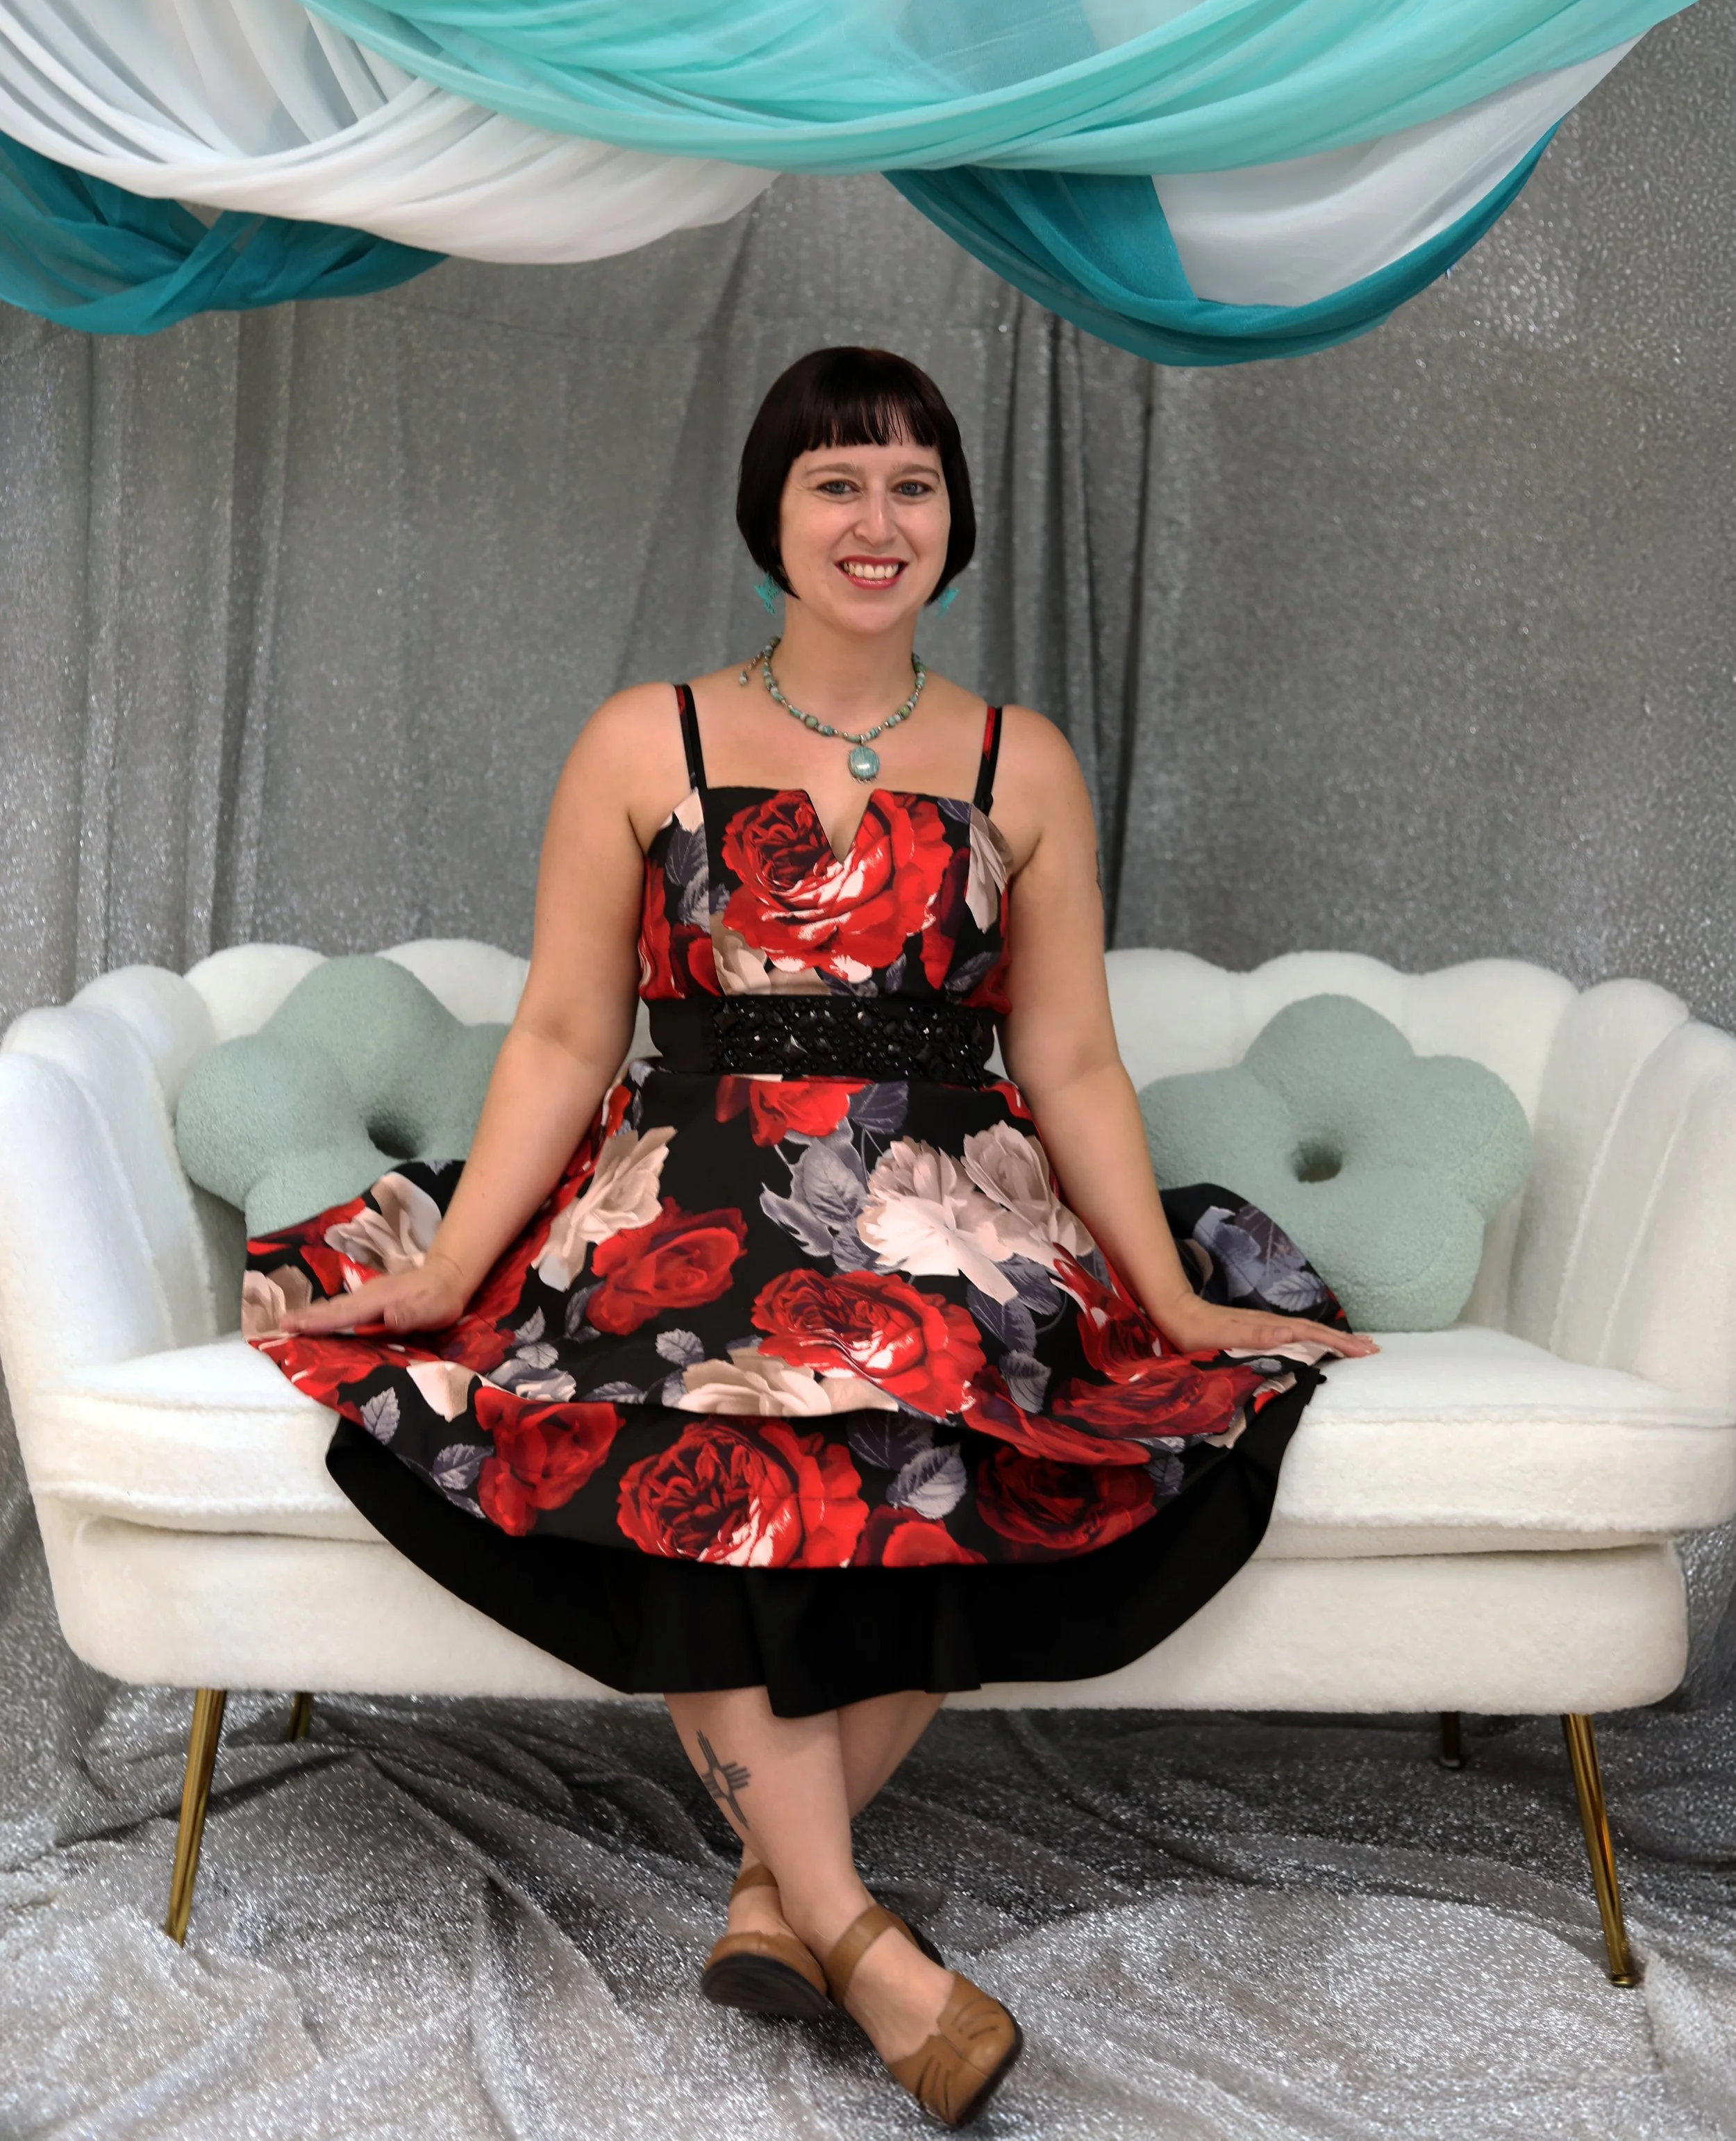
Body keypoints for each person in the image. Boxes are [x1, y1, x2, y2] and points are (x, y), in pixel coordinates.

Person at [248, 346, 1376, 2129]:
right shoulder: (647, 738)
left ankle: (785, 1892)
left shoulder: (1023, 762)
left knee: (951, 1413)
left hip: (945, 1197)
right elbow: (558, 1031)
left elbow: (1067, 1053)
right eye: (835, 483)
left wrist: (1163, 1296)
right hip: (688, 1184)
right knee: (696, 1405)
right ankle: (858, 1933)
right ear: (771, 515)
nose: (876, 520)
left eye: (912, 485)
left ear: (956, 520)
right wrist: (458, 1268)